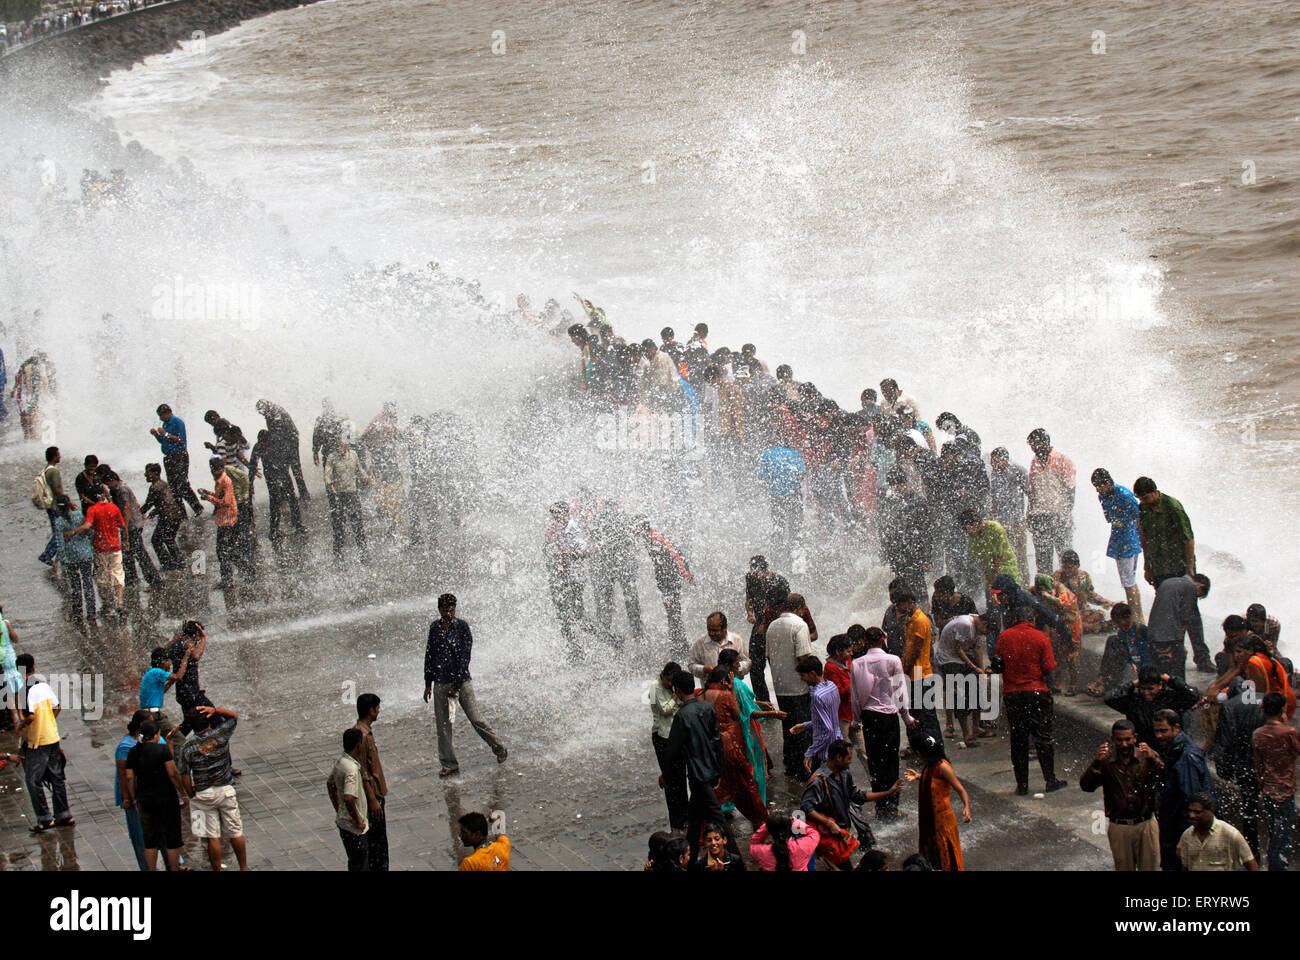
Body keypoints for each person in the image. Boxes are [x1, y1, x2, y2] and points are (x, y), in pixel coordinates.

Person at [423, 594, 507, 776]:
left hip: (462, 682)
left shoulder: (462, 627)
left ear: (455, 608)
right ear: (439, 610)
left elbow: (465, 658)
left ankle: (499, 747)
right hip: (440, 683)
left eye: (451, 609)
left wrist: (457, 684)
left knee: (475, 718)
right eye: (445, 610)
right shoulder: (435, 628)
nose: (448, 613)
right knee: (443, 726)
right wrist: (427, 683)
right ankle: (449, 764)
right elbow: (429, 656)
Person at [662, 670, 738, 861]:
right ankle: (691, 856)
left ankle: (737, 859)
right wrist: (719, 769)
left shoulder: (682, 716)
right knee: (694, 818)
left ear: (677, 691)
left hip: (697, 774)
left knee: (718, 818)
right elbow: (716, 740)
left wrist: (665, 774)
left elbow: (672, 750)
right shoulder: (707, 708)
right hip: (710, 769)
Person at [996, 607, 1069, 795]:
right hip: (1036, 693)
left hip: (1012, 694)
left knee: (1018, 739)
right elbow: (1048, 667)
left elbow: (998, 664)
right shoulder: (1040, 637)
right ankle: (1050, 780)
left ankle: (1022, 785)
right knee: (1043, 738)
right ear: (1033, 620)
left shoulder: (1004, 637)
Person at [850, 626, 917, 819]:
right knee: (891, 761)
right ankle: (893, 807)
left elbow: (855, 696)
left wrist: (855, 720)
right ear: (883, 638)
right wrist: (907, 717)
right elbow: (900, 690)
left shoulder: (857, 663)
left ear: (865, 641)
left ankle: (880, 807)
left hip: (869, 717)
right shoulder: (893, 660)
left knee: (875, 761)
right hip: (889, 717)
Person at [802, 739, 901, 869]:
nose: (851, 761)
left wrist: (887, 793)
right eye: (848, 758)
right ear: (838, 758)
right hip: (828, 839)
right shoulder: (819, 781)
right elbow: (806, 807)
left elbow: (858, 796)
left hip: (840, 835)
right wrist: (829, 823)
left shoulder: (844, 774)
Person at [1079, 720, 1164, 871]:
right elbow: (1087, 786)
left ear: (1135, 738)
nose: (1124, 744)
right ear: (1112, 739)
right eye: (1119, 740)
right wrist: (1096, 763)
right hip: (1120, 826)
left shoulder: (1147, 757)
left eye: (1127, 739)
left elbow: (1165, 778)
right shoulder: (1105, 761)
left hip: (1146, 824)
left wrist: (1154, 759)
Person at [178, 704, 248, 871]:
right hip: (225, 789)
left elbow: (184, 775)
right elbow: (233, 716)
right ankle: (244, 867)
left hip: (202, 794)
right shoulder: (221, 735)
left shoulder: (187, 747)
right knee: (235, 832)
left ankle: (216, 868)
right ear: (208, 720)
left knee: (211, 837)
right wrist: (215, 710)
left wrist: (190, 793)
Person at [701, 665, 767, 827]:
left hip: (710, 746)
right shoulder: (725, 695)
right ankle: (760, 817)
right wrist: (731, 690)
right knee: (746, 782)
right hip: (729, 745)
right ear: (724, 681)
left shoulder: (701, 696)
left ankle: (710, 821)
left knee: (716, 784)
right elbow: (738, 715)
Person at [15, 653, 73, 832]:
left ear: (19, 670)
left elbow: (30, 716)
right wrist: (49, 721)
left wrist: (20, 726)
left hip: (37, 741)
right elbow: (57, 707)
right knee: (57, 777)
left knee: (33, 780)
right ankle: (64, 814)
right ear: (34, 667)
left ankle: (45, 818)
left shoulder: (25, 690)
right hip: (52, 736)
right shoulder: (44, 685)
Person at [1212, 673, 1265, 862]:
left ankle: (1253, 853)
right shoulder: (1264, 699)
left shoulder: (1230, 706)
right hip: (1266, 763)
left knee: (1249, 811)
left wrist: (1223, 768)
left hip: (1244, 764)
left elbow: (1225, 740)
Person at [1152, 708, 1213, 871]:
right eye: (1156, 731)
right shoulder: (1176, 749)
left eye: (1163, 731)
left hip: (1180, 829)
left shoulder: (1186, 757)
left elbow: (1191, 802)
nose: (1159, 736)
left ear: (1176, 728)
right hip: (1174, 825)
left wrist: (1186, 839)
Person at [123, 721, 187, 871]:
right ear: (157, 734)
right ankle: (173, 868)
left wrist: (133, 798)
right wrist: (182, 793)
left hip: (145, 799)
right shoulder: (162, 750)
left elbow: (129, 778)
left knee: (150, 840)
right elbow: (172, 773)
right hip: (167, 798)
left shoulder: (133, 752)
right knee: (172, 837)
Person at [765, 594, 814, 777]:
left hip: (779, 685)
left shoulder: (772, 626)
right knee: (802, 726)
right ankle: (804, 768)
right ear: (800, 607)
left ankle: (791, 766)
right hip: (798, 685)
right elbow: (803, 657)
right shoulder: (799, 625)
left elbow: (769, 656)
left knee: (788, 726)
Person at [905, 734, 970, 871]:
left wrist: (967, 808)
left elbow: (960, 789)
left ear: (920, 753)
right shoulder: (929, 766)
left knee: (947, 856)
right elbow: (933, 781)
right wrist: (919, 776)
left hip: (943, 822)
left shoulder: (943, 767)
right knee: (933, 857)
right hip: (930, 821)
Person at [1252, 691, 1300, 871]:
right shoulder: (1289, 733)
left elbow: (1258, 767)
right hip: (1285, 791)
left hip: (1268, 791)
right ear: (1282, 710)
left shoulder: (1258, 734)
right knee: (1284, 838)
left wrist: (1263, 785)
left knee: (1274, 835)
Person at [1091, 469, 1143, 621]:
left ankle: (1135, 618)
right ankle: (1138, 617)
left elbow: (1139, 518)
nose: (1097, 490)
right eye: (1095, 487)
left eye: (1099, 486)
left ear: (1108, 482)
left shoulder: (1125, 495)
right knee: (1129, 581)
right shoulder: (1103, 496)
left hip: (1128, 541)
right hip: (1118, 539)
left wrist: (1143, 541)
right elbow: (1109, 518)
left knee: (1128, 582)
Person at [1104, 666, 1202, 749]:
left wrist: (1172, 680)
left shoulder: (1171, 698)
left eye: (1150, 689)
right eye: (1143, 688)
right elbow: (1109, 698)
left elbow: (1193, 695)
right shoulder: (1134, 701)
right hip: (1143, 749)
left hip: (1169, 749)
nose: (1146, 693)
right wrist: (1131, 684)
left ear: (1159, 685)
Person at [66, 484, 126, 616]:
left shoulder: (92, 510)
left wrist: (73, 532)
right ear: (104, 495)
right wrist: (124, 539)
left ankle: (107, 605)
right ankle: (120, 603)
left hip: (100, 549)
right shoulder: (113, 507)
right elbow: (122, 525)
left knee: (102, 577)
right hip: (115, 547)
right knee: (118, 574)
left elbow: (87, 525)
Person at [935, 612, 990, 748]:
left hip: (962, 659)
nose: (985, 634)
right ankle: (967, 734)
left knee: (978, 688)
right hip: (948, 659)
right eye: (986, 631)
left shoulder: (977, 628)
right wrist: (974, 667)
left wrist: (981, 672)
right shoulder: (965, 624)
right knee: (960, 695)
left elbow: (977, 650)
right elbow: (957, 648)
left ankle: (976, 727)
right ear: (984, 624)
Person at [636, 517, 693, 646]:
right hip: (665, 579)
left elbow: (676, 554)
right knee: (672, 609)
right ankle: (677, 638)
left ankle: (679, 642)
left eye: (636, 529)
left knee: (673, 609)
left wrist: (687, 575)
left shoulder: (655, 538)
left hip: (670, 579)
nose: (634, 532)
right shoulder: (649, 537)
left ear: (641, 528)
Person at [895, 592, 943, 748]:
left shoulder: (920, 620)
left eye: (899, 604)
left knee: (927, 715)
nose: (898, 608)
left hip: (921, 675)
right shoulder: (910, 619)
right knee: (916, 714)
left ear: (909, 601)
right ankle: (921, 748)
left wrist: (903, 672)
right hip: (913, 675)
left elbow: (915, 651)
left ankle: (936, 748)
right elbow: (907, 649)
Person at [1025, 428, 1075, 575]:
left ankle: (1068, 594)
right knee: (1043, 559)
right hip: (1039, 516)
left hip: (1059, 515)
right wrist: (1029, 514)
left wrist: (1066, 515)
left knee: (1065, 558)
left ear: (1046, 442)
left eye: (1035, 445)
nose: (1034, 449)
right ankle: (1046, 593)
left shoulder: (1063, 460)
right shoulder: (1034, 462)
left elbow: (1071, 491)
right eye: (1032, 446)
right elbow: (1033, 492)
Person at [1146, 572, 1212, 677]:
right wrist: (1180, 644)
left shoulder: (1169, 581)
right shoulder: (1191, 587)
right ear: (1201, 586)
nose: (1196, 596)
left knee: (1159, 670)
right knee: (1176, 671)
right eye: (1199, 595)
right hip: (1169, 636)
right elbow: (1186, 618)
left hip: (1153, 632)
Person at [823, 635, 871, 777]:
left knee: (863, 751)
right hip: (840, 717)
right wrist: (853, 685)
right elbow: (836, 692)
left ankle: (874, 780)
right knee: (841, 753)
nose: (851, 654)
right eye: (848, 651)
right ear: (838, 651)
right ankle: (840, 781)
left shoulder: (848, 662)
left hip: (852, 714)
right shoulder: (830, 668)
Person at [648, 662, 688, 829]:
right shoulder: (654, 688)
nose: (670, 684)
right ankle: (676, 820)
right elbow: (664, 710)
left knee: (680, 776)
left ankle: (685, 815)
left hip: (675, 733)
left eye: (673, 682)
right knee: (670, 777)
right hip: (662, 736)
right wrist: (674, 697)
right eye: (668, 680)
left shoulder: (672, 687)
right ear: (662, 674)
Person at [1177, 792, 1258, 871]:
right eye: (1190, 811)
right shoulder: (1187, 835)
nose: (1192, 815)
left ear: (1211, 811)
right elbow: (1185, 867)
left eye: (1197, 812)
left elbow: (1251, 863)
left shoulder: (1230, 833)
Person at [353, 693, 388, 871]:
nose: (379, 711)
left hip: (375, 794)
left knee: (378, 843)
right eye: (377, 708)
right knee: (378, 844)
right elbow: (363, 770)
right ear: (370, 711)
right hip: (372, 796)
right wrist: (373, 799)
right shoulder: (363, 736)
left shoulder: (365, 732)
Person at [115, 710, 154, 871]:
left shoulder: (147, 740)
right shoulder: (125, 747)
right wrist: (127, 798)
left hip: (147, 792)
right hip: (133, 795)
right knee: (139, 834)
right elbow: (123, 775)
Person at [328, 727, 369, 871]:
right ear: (358, 745)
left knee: (354, 863)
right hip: (354, 828)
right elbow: (349, 797)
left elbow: (330, 784)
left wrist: (338, 808)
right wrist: (358, 820)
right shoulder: (351, 769)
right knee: (360, 864)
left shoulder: (341, 762)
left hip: (343, 822)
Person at [756, 443, 806, 563]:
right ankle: (794, 550)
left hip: (776, 495)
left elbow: (761, 478)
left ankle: (777, 555)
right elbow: (801, 474)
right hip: (793, 493)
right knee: (795, 523)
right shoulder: (794, 454)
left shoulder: (767, 454)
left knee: (778, 524)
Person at [51, 495, 95, 629]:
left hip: (71, 557)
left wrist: (58, 560)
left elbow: (60, 542)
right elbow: (89, 532)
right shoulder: (80, 515)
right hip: (85, 554)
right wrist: (91, 548)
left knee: (76, 585)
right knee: (88, 582)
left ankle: (79, 611)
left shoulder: (59, 522)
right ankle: (91, 612)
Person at [151, 404, 204, 516]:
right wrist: (156, 434)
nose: (160, 418)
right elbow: (164, 441)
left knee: (182, 484)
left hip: (179, 456)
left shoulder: (178, 422)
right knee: (173, 487)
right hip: (169, 457)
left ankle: (197, 508)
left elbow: (181, 440)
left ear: (168, 413)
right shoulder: (165, 424)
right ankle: (181, 513)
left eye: (161, 415)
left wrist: (165, 433)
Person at [1090, 602, 1151, 697]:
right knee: (1112, 640)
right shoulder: (1121, 633)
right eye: (1118, 622)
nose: (1122, 623)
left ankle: (1102, 682)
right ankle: (1102, 680)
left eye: (1125, 620)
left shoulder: (1140, 629)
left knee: (1113, 642)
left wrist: (1142, 664)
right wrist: (1131, 661)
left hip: (1142, 660)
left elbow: (1150, 646)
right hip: (1129, 658)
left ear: (1130, 617)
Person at [324, 437, 370, 563]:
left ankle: (363, 552)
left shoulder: (354, 455)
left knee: (357, 524)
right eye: (337, 447)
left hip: (352, 494)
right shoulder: (332, 458)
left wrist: (366, 477)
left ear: (347, 446)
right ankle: (338, 554)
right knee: (338, 525)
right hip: (338, 496)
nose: (340, 449)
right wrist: (330, 484)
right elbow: (327, 474)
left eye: (342, 447)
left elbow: (359, 469)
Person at [790, 655, 839, 772]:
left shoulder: (816, 696)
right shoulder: (832, 686)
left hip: (825, 751)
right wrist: (806, 725)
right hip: (837, 744)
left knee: (820, 785)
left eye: (803, 675)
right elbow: (830, 720)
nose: (802, 679)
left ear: (812, 673)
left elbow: (827, 729)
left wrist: (810, 753)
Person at [255, 398, 310, 501]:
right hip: (284, 441)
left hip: (290, 441)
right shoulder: (270, 412)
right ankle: (289, 494)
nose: (261, 413)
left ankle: (301, 494)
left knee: (294, 467)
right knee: (286, 467)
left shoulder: (276, 412)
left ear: (266, 407)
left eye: (261, 410)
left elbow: (278, 430)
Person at [989, 447, 1031, 581]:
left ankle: (1024, 585)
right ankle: (1010, 584)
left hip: (1016, 521)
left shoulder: (1018, 471)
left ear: (1005, 459)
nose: (993, 464)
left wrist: (1028, 515)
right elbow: (993, 498)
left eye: (995, 461)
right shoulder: (994, 475)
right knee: (1005, 557)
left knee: (1020, 556)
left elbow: (1030, 493)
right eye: (992, 462)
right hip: (1001, 523)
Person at [1054, 550, 1111, 634]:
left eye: (1069, 568)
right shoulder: (1057, 576)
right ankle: (1092, 627)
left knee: (1099, 615)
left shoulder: (1084, 576)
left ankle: (1082, 627)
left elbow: (1091, 595)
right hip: (1066, 613)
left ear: (1078, 566)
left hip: (1082, 612)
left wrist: (1108, 602)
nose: (1066, 571)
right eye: (1064, 567)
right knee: (1065, 622)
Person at [959, 511, 1019, 589]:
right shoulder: (973, 536)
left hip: (1006, 570)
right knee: (991, 597)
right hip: (989, 575)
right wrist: (988, 577)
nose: (964, 532)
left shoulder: (995, 528)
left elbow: (998, 558)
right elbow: (981, 559)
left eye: (965, 528)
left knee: (1008, 597)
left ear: (975, 524)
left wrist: (993, 579)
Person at [140, 463, 183, 571]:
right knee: (169, 539)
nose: (145, 475)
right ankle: (178, 562)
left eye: (147, 472)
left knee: (156, 540)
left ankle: (168, 564)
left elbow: (148, 504)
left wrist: (137, 514)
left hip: (168, 517)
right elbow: (164, 502)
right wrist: (154, 512)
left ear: (155, 474)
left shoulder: (155, 487)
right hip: (176, 515)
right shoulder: (163, 483)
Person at [687, 612, 750, 680]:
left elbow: (748, 662)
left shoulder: (737, 640)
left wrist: (738, 666)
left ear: (724, 628)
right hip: (710, 688)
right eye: (709, 630)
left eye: (715, 630)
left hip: (735, 688)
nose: (711, 633)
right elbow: (691, 665)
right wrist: (704, 669)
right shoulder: (700, 644)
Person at [749, 810, 819, 871]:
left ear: (769, 830)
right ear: (790, 827)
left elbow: (753, 843)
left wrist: (770, 822)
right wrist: (794, 821)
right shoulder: (802, 847)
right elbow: (814, 833)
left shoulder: (761, 851)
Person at [36, 445, 65, 574]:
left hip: (50, 505)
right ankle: (47, 555)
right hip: (55, 506)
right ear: (54, 456)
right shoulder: (53, 471)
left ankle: (54, 556)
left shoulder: (46, 469)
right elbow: (57, 490)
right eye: (58, 454)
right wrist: (66, 503)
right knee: (59, 532)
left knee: (57, 531)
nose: (60, 456)